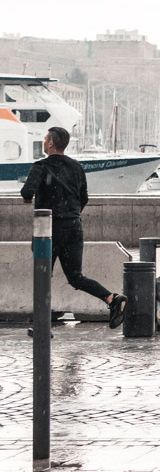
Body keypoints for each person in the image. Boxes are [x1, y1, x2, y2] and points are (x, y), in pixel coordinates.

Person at [21, 126, 126, 333]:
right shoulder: (76, 167)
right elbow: (83, 198)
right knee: (76, 277)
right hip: (74, 227)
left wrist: (32, 197)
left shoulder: (41, 166)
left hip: (48, 231)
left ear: (51, 143)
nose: (43, 142)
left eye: (44, 139)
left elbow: (27, 192)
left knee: (42, 274)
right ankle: (112, 298)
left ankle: (42, 326)